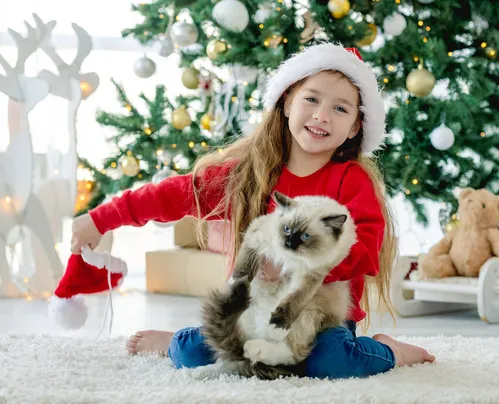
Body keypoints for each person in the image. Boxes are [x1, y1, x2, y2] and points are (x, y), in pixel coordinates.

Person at [71, 43, 435, 379]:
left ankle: (389, 351)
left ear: (356, 125)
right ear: (288, 101)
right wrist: (99, 219)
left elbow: (366, 247)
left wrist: (297, 265)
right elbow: (174, 195)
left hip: (320, 318)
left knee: (330, 361)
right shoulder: (250, 172)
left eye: (340, 108)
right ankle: (171, 341)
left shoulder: (351, 180)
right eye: (311, 99)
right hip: (252, 314)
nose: (322, 115)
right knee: (193, 353)